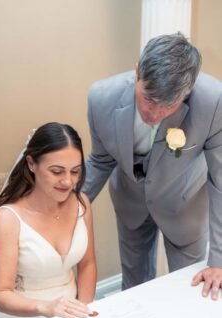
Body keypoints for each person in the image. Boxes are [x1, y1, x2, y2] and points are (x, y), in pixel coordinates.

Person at [82, 32, 222, 299]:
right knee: (134, 289)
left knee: (191, 292)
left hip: (184, 207)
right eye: (148, 98)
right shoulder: (101, 98)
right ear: (137, 73)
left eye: (168, 105)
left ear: (187, 92)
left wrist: (219, 260)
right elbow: (100, 161)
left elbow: (220, 181)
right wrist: (65, 210)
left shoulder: (214, 102)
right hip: (130, 203)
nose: (153, 113)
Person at [0, 122, 97, 318]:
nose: (68, 181)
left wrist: (84, 309)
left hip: (71, 315)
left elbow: (87, 264)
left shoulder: (82, 204)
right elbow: (1, 294)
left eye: (75, 171)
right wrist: (46, 308)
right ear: (31, 163)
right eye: (57, 171)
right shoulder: (9, 218)